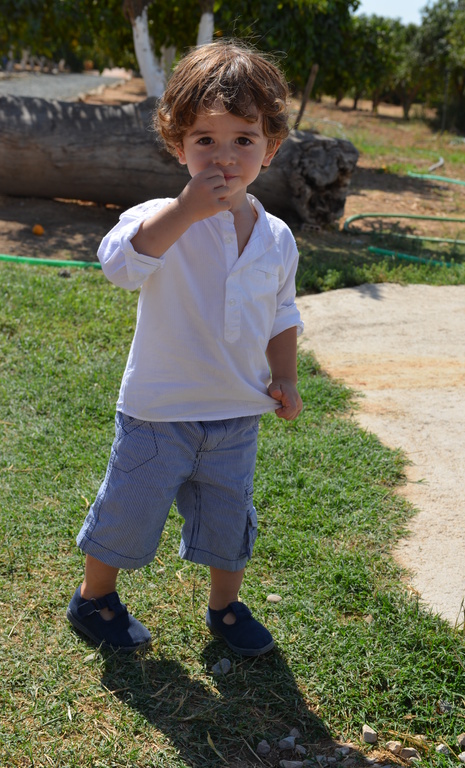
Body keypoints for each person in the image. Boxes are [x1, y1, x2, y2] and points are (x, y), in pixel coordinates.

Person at [66, 40, 303, 657]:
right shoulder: (159, 216)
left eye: (243, 139)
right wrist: (184, 211)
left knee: (229, 518)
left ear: (271, 148)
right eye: (205, 140)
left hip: (236, 411)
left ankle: (225, 607)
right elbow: (119, 267)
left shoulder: (276, 238)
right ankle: (94, 597)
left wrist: (285, 376)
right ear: (178, 145)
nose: (223, 157)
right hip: (158, 410)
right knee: (129, 510)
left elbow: (281, 314)